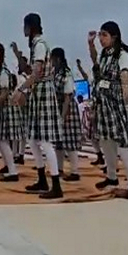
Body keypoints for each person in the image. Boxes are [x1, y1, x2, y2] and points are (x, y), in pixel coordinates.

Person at [11, 13, 64, 200]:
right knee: (33, 139)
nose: (23, 29)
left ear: (30, 27)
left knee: (45, 141)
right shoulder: (35, 46)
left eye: (25, 26)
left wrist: (20, 89)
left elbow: (36, 72)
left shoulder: (40, 45)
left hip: (43, 92)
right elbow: (31, 71)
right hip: (38, 92)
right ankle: (42, 179)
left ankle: (56, 184)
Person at [87, 22, 128, 199]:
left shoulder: (122, 54)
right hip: (103, 100)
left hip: (116, 100)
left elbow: (125, 72)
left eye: (104, 35)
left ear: (114, 37)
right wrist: (90, 44)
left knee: (122, 140)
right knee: (106, 140)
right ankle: (111, 177)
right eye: (100, 35)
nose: (101, 39)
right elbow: (95, 62)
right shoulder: (104, 55)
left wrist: (125, 90)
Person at [0, 43, 23, 182]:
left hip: (6, 108)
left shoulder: (3, 72)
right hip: (4, 108)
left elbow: (4, 94)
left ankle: (13, 170)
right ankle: (9, 166)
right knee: (0, 139)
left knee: (2, 140)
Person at [51, 47, 83, 181]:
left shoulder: (66, 74)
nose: (51, 62)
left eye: (52, 59)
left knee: (70, 142)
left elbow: (67, 97)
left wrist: (62, 117)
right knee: (58, 142)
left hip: (68, 109)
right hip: (59, 108)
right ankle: (59, 169)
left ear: (57, 59)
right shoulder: (56, 73)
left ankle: (75, 172)